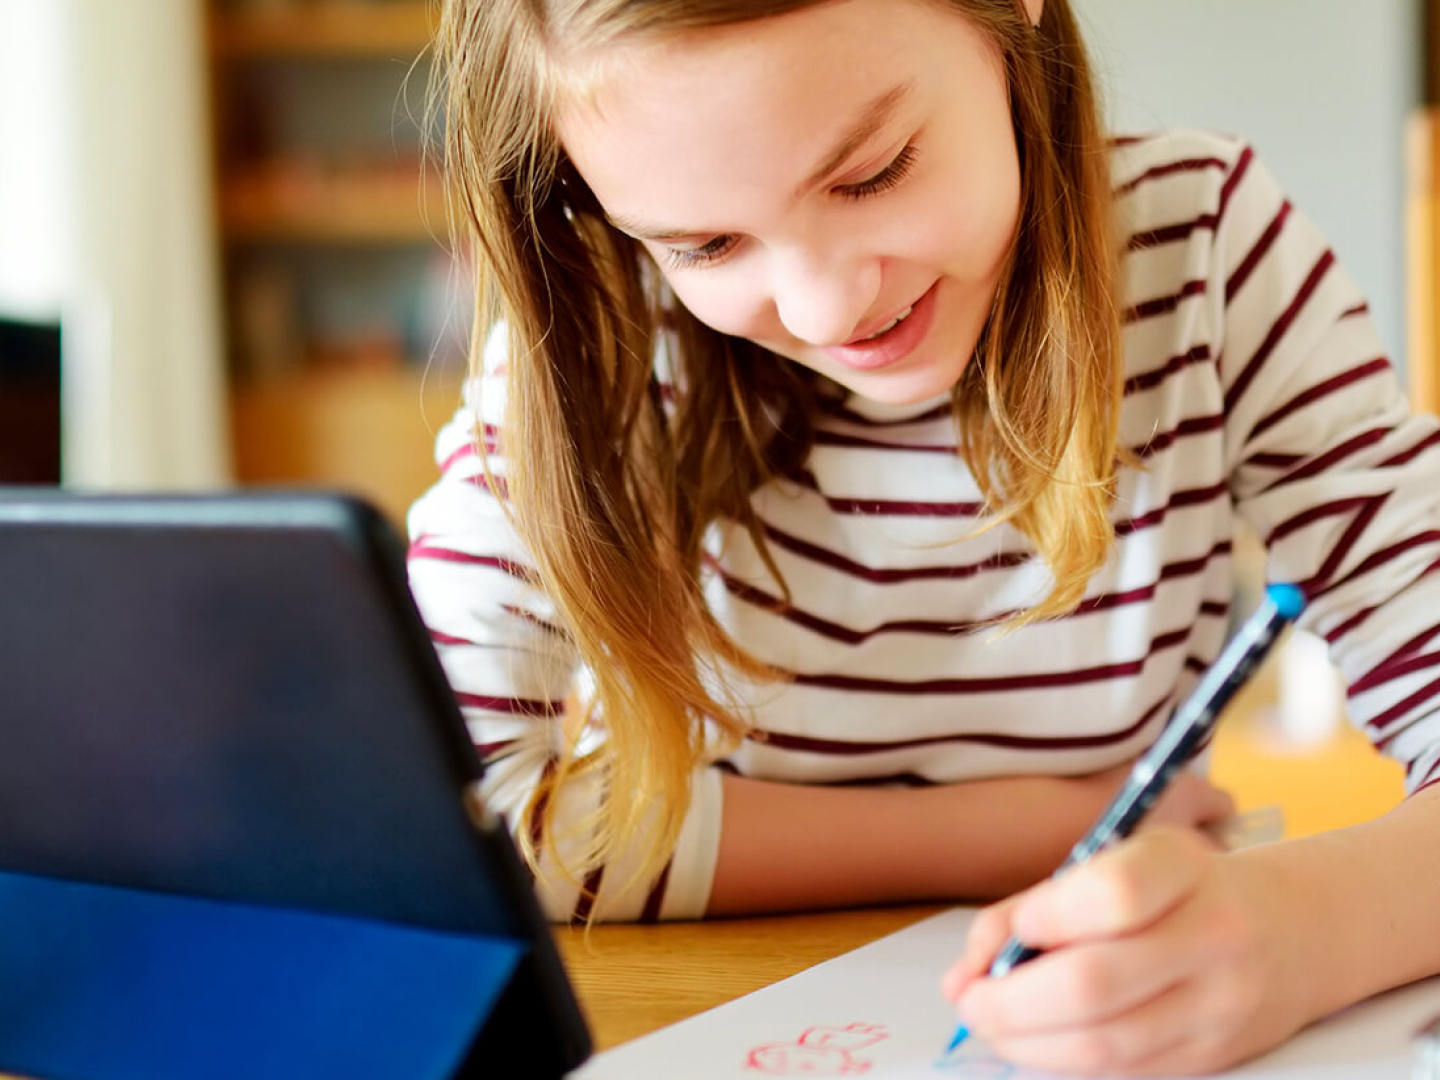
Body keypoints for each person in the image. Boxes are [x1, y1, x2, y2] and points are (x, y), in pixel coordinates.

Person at [408, 0, 1440, 1072]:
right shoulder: (602, 325)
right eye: (705, 244)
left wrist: (1309, 932)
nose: (823, 310)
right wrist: (1030, 827)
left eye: (872, 173)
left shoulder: (1205, 248)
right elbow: (451, 836)